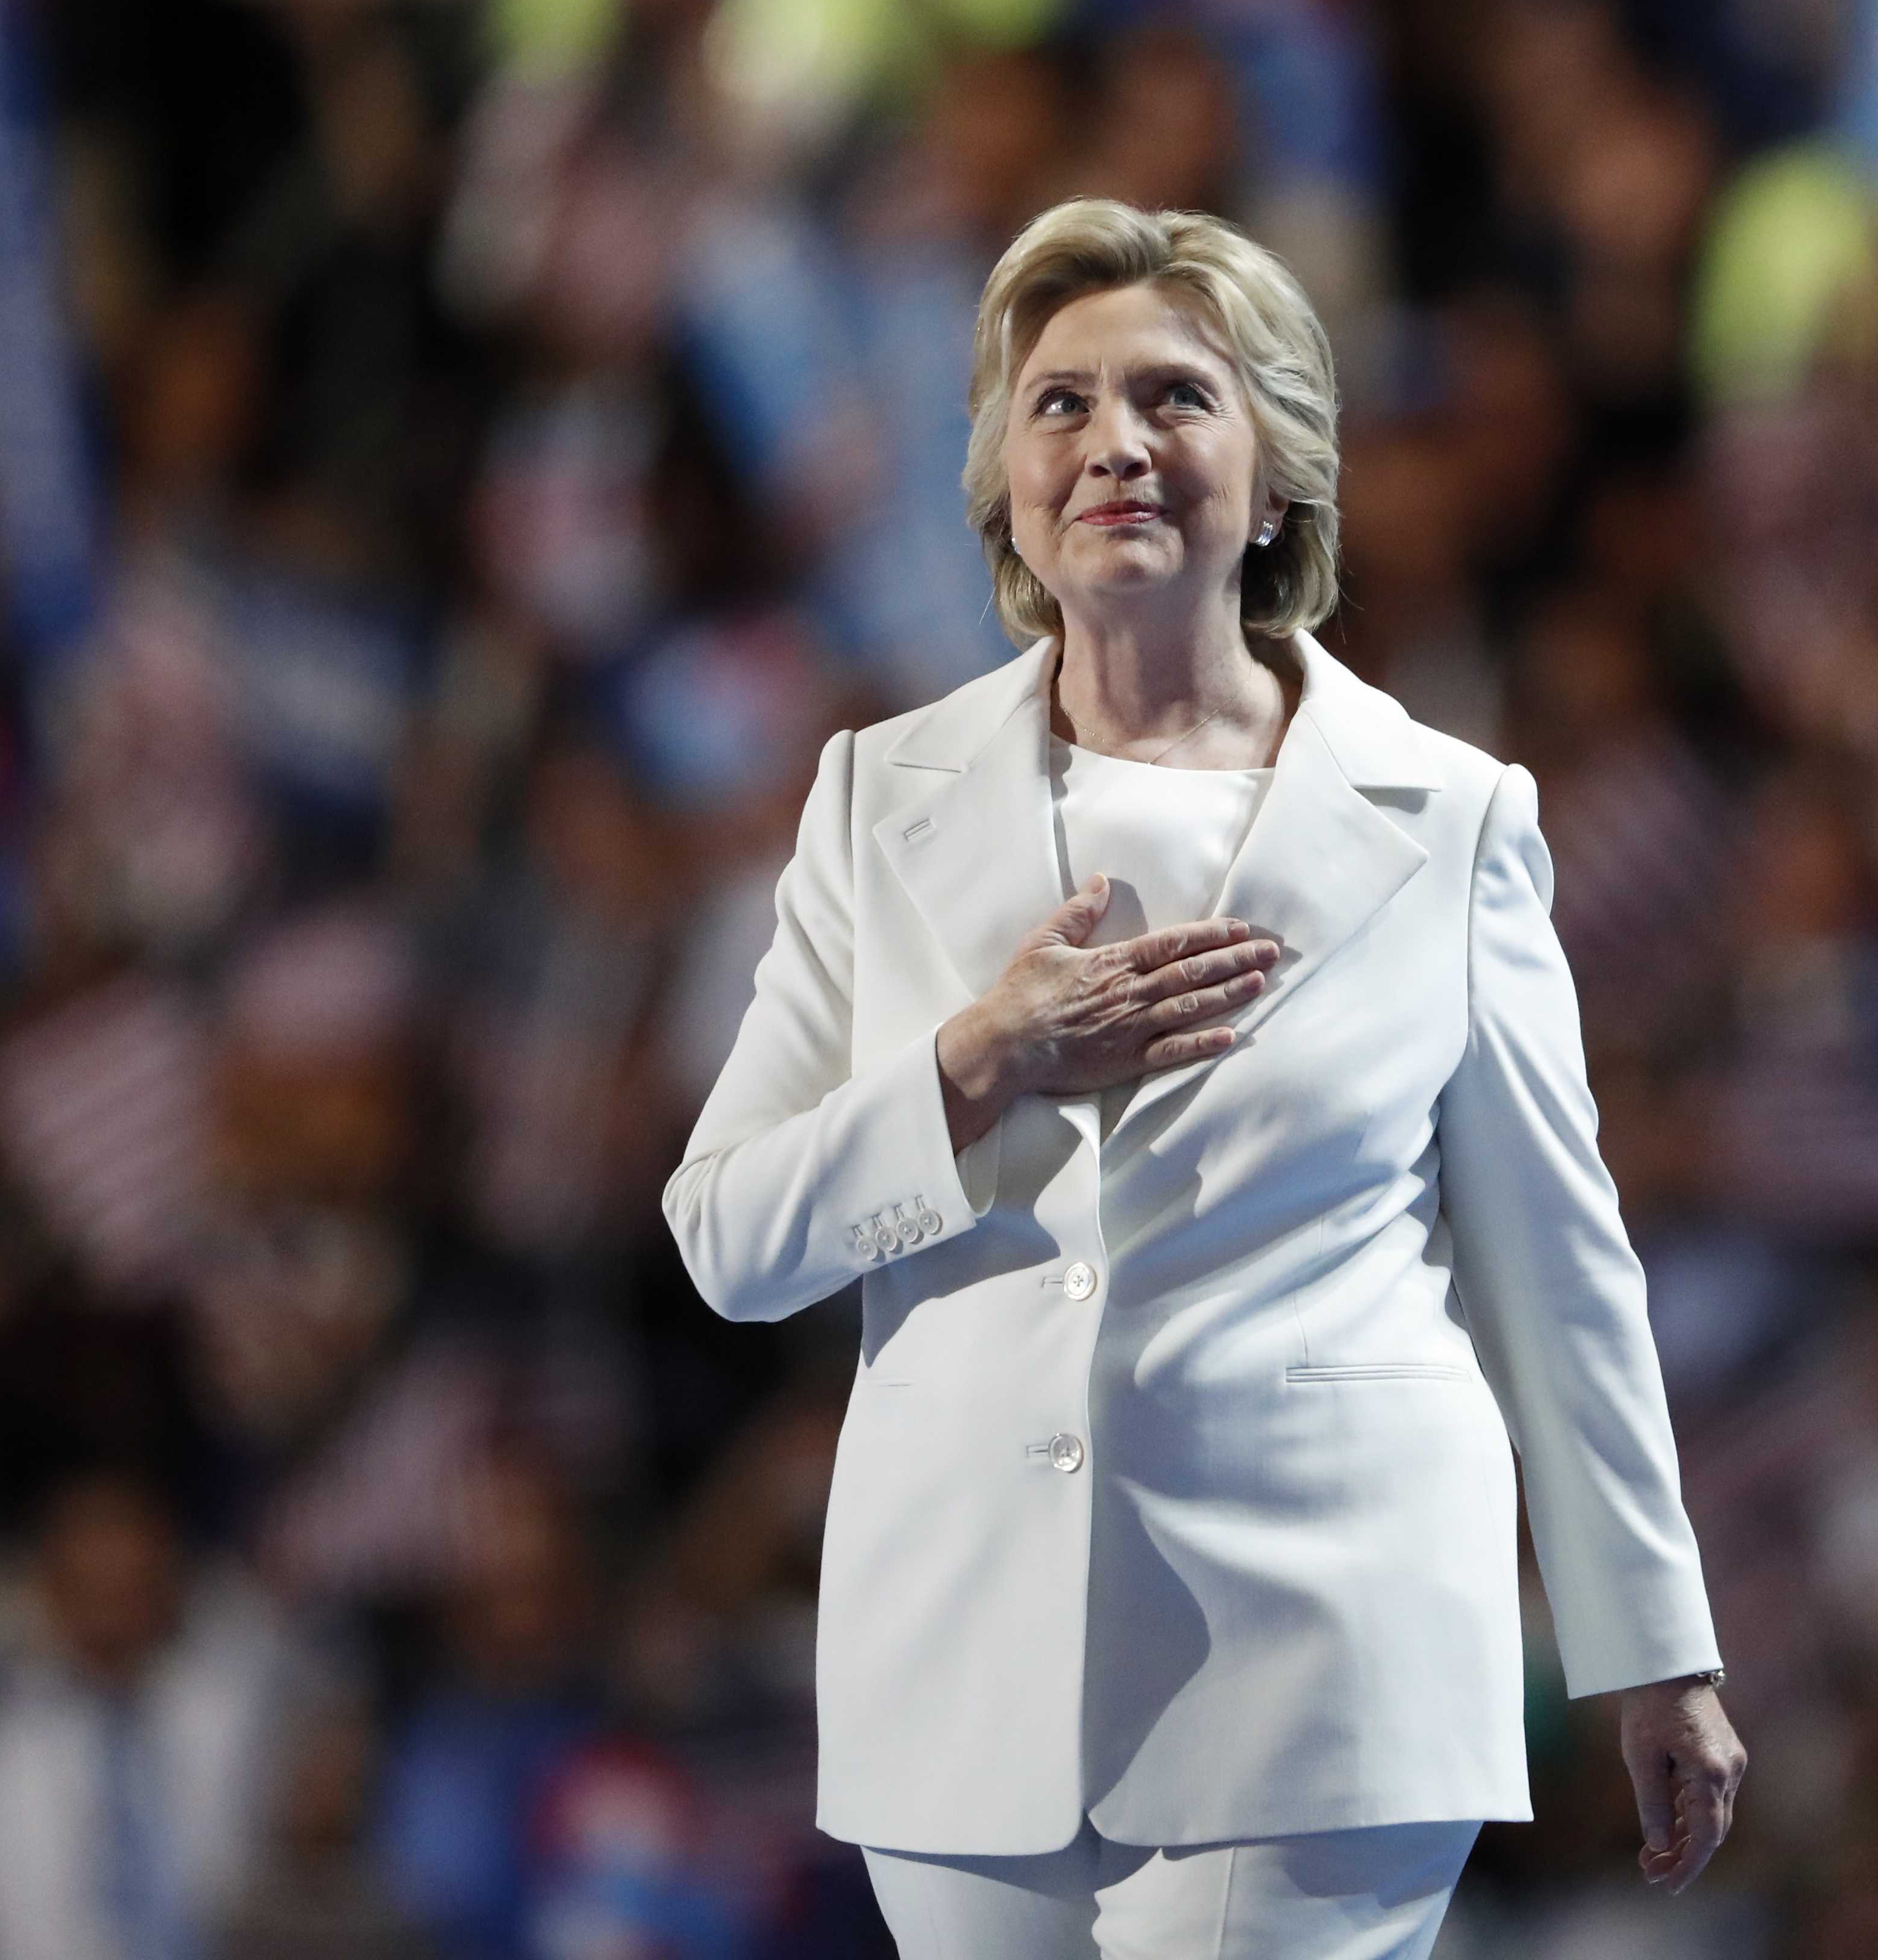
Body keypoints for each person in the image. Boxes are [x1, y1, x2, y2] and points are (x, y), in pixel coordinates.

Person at [663, 198, 1742, 1957]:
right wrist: (976, 1061)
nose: (1116, 445)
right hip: (959, 1668)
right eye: (1062, 403)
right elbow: (728, 1236)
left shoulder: (1454, 817)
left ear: (1282, 471)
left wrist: (1655, 1646)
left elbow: (1563, 1270)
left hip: (1328, 1659)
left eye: (1175, 397)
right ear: (1005, 473)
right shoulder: (877, 794)